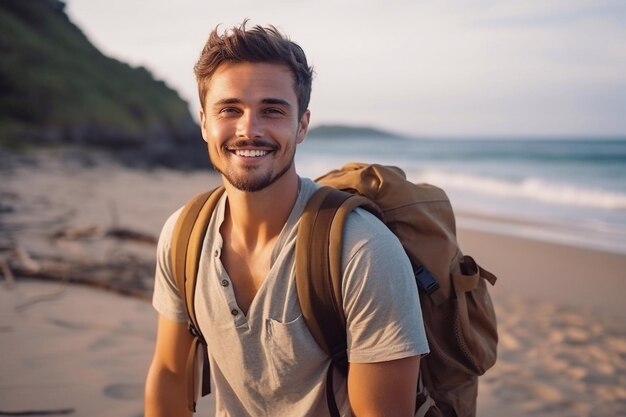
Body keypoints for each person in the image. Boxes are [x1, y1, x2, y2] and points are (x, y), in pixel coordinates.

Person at [144, 21, 429, 417]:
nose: (249, 130)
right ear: (205, 123)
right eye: (230, 109)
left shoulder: (363, 252)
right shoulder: (183, 234)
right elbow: (171, 374)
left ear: (302, 126)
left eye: (272, 111)